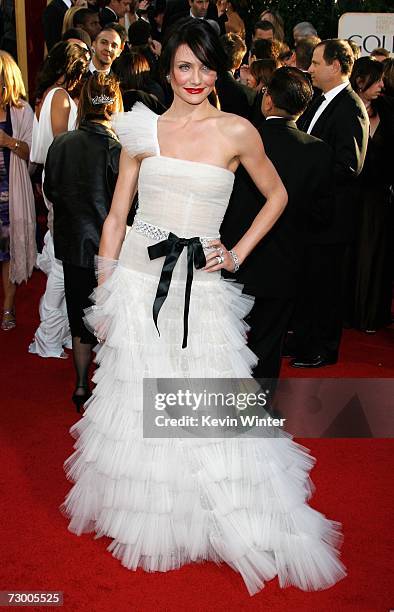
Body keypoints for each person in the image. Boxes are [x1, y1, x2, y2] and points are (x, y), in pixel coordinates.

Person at [62, 19, 345, 595]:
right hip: (139, 281)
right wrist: (108, 285)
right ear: (168, 69)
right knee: (141, 400)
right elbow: (117, 216)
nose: (195, 78)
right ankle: (156, 514)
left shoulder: (238, 130)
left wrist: (237, 252)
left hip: (200, 290)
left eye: (207, 67)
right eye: (185, 66)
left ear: (220, 70)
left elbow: (278, 195)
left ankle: (217, 512)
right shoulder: (141, 128)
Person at [221, 67, 333, 381]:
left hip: (234, 258)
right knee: (268, 346)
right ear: (303, 107)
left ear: (267, 101)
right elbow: (322, 215)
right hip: (285, 265)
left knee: (223, 343)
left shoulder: (241, 141)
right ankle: (257, 414)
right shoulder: (318, 152)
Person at [44, 73, 122, 411]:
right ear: (114, 104)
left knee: (79, 317)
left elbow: (50, 191)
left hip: (74, 246)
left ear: (83, 102)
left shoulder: (60, 144)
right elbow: (127, 206)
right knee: (112, 317)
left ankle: (79, 386)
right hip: (111, 250)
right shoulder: (116, 148)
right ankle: (111, 388)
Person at [291, 39, 369, 368]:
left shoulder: (350, 108)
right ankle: (306, 340)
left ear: (335, 66)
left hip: (331, 219)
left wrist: (307, 182)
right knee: (310, 283)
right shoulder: (321, 101)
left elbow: (349, 166)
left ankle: (322, 348)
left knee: (326, 287)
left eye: (317, 63)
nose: (310, 69)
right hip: (314, 217)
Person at [29, 42, 89, 359]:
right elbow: (63, 144)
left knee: (63, 260)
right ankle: (47, 336)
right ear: (75, 71)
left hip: (58, 180)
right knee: (63, 264)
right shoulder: (61, 98)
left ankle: (60, 332)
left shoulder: (53, 95)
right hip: (61, 181)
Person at [349, 57, 393, 332]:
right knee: (350, 254)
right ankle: (347, 311)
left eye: (382, 80)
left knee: (374, 254)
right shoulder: (345, 108)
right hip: (350, 195)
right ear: (361, 80)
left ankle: (370, 314)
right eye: (376, 80)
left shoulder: (389, 110)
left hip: (377, 196)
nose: (381, 85)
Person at [0, 51, 36, 330]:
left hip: (10, 197)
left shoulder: (22, 111)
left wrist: (8, 141)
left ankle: (8, 309)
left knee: (8, 255)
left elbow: (32, 154)